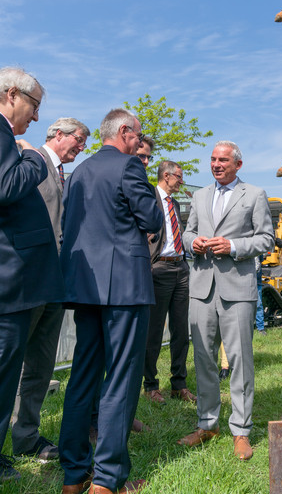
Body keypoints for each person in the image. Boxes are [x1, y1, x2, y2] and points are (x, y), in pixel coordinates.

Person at [58, 109, 163, 494]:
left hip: (85, 287)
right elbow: (151, 220)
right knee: (121, 378)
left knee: (82, 377)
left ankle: (74, 473)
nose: (140, 142)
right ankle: (108, 478)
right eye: (138, 135)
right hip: (124, 288)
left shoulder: (80, 172)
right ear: (124, 131)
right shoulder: (129, 167)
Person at [179, 140, 274, 460]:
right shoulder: (199, 195)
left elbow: (266, 239)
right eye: (212, 159)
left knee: (240, 361)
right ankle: (207, 424)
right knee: (204, 359)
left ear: (238, 165)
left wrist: (232, 246)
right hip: (202, 287)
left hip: (237, 289)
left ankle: (241, 430)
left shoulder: (255, 195)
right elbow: (187, 233)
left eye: (223, 160)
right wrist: (196, 243)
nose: (216, 164)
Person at [12, 118, 90, 461]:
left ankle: (26, 437)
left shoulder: (67, 176)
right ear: (58, 135)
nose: (82, 146)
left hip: (56, 285)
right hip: (24, 282)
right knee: (10, 363)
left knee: (41, 367)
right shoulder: (26, 161)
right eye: (79, 139)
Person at [0, 67, 63, 483]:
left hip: (27, 279)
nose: (36, 118)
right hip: (12, 280)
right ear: (10, 95)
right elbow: (6, 187)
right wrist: (35, 157)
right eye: (34, 106)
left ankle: (19, 443)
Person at [144, 161, 196, 404]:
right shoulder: (148, 196)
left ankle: (179, 384)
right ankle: (151, 385)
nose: (181, 182)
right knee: (153, 331)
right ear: (166, 176)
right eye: (179, 177)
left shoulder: (174, 203)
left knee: (181, 330)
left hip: (181, 268)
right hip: (159, 268)